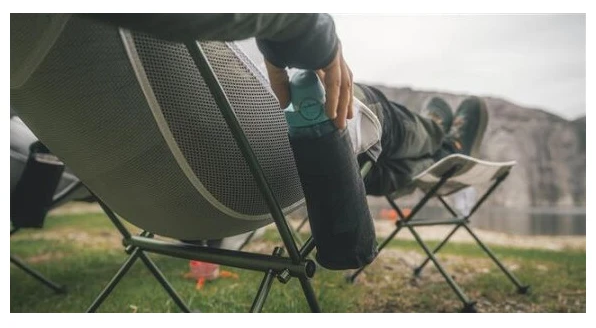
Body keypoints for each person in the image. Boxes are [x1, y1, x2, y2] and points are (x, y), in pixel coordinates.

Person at [87, 13, 488, 197]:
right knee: (377, 115)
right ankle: (441, 137)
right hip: (279, 161)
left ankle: (435, 157)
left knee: (372, 165)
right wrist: (312, 30)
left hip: (172, 199)